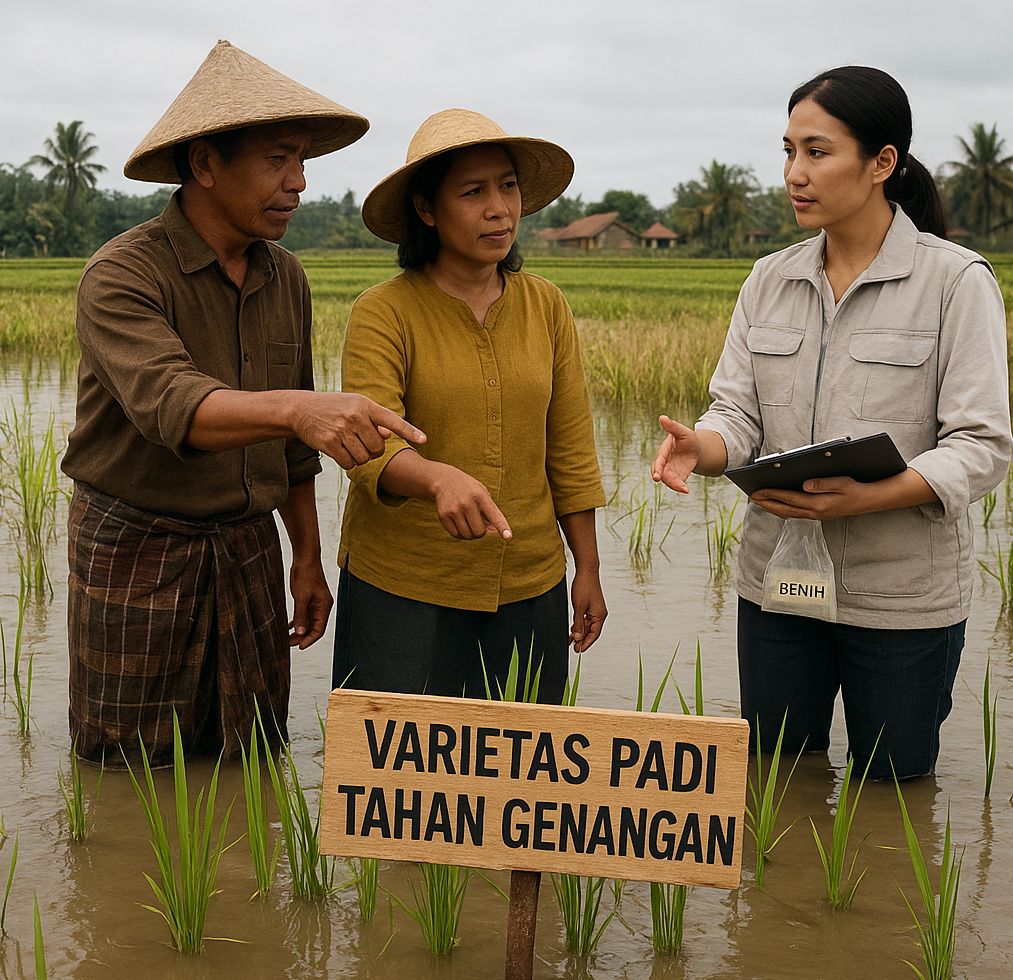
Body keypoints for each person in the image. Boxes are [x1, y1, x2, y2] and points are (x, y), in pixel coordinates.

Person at [62, 41, 425, 767]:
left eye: (302, 162)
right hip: (137, 547)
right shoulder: (121, 275)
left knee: (251, 754)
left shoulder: (284, 275)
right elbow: (175, 406)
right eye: (277, 160)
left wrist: (308, 559)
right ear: (204, 164)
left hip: (247, 545)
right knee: (129, 767)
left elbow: (293, 452)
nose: (297, 183)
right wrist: (299, 408)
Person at [652, 66, 1012, 779]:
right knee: (776, 780)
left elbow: (982, 445)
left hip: (903, 600)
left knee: (893, 793)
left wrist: (869, 497)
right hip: (777, 584)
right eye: (788, 151)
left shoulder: (955, 281)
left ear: (883, 163)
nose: (795, 173)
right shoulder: (769, 278)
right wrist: (705, 447)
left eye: (817, 152)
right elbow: (737, 413)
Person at [332, 108, 607, 702]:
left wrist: (587, 567)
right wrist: (434, 479)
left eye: (507, 186)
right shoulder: (383, 312)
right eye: (473, 191)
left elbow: (571, 449)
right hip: (403, 585)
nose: (499, 208)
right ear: (427, 210)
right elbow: (367, 444)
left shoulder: (546, 306)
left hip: (531, 580)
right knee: (396, 777)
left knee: (519, 778)